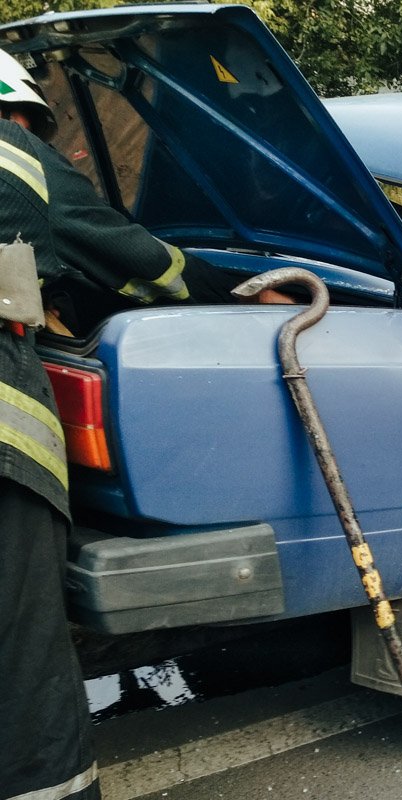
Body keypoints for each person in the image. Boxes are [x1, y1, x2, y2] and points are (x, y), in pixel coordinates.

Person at [0, 50, 283, 800]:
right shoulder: (15, 158)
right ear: (18, 112)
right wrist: (239, 290)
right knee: (21, 662)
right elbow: (139, 261)